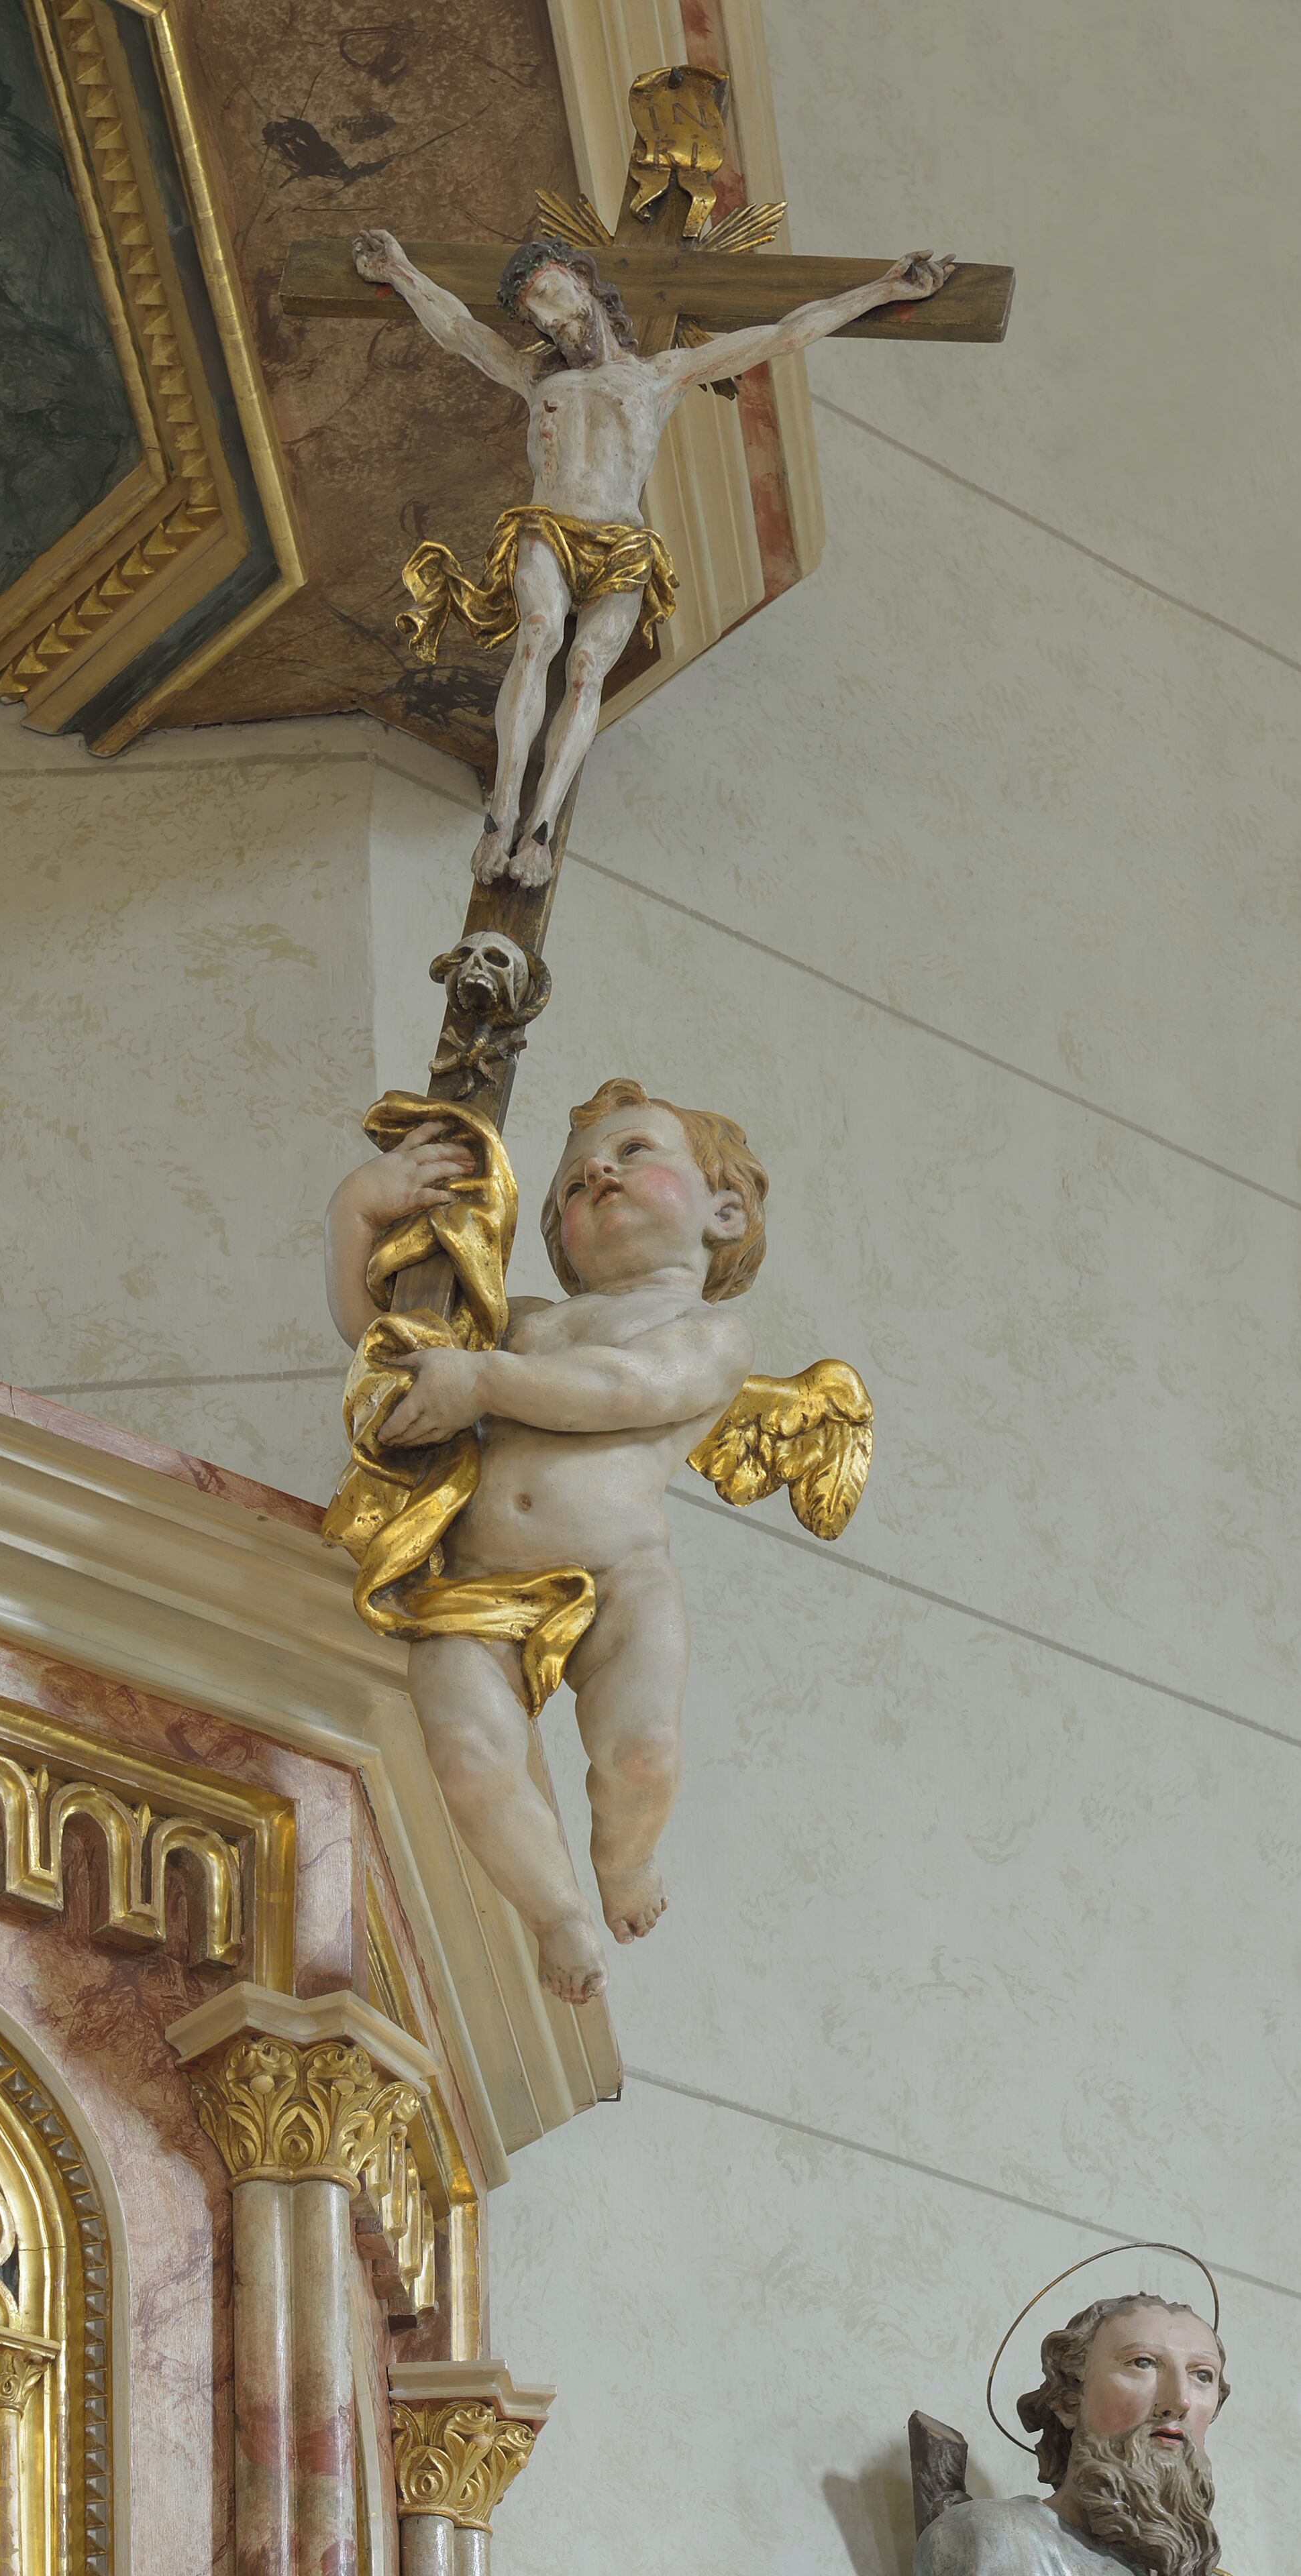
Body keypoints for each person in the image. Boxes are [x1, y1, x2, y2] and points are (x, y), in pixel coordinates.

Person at [324, 1079, 766, 2002]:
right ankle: (556, 1911)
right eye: (569, 1183)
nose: (596, 1172)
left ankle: (626, 1860)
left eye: (636, 1152)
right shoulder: (518, 1323)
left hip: (619, 1582)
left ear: (724, 1211)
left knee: (641, 1748)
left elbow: (622, 1390)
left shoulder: (705, 1334)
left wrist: (483, 1383)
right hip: (470, 1584)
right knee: (469, 1755)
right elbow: (383, 1344)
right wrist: (359, 1213)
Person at [352, 226, 953, 885]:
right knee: (539, 633)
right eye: (537, 316)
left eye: (554, 297)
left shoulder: (657, 377)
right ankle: (500, 811)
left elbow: (784, 333)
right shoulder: (533, 376)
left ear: (586, 288)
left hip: (622, 542)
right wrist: (400, 270)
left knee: (585, 670)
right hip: (547, 528)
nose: (552, 322)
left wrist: (886, 288)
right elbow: (460, 330)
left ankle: (540, 828)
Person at [917, 2296, 1229, 2576]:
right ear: (1069, 2402)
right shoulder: (1001, 2537)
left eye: (1202, 2375)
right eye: (1142, 2363)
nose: (1179, 2402)